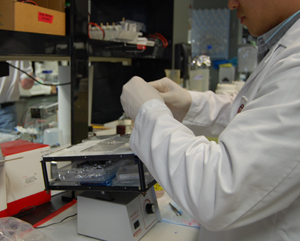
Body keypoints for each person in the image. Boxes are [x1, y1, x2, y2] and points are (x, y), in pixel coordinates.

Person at [120, 0, 300, 240]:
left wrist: (148, 113)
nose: (231, 4)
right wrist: (190, 104)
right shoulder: (284, 46)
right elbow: (260, 111)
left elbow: (219, 191)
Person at [0, 61, 34, 130]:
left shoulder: (18, 52)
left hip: (6, 110)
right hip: (6, 110)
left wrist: (29, 80)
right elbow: (26, 84)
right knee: (8, 140)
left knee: (9, 139)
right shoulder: (18, 51)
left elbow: (26, 84)